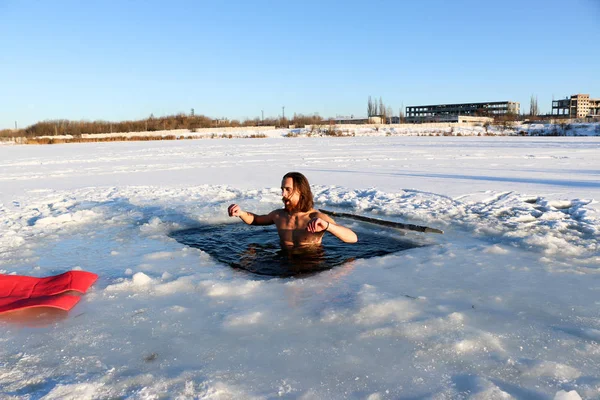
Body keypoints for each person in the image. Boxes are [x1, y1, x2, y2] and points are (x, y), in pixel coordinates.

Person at [228, 172, 357, 249]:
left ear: (301, 191)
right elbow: (256, 220)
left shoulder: (315, 217)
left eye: (288, 189)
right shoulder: (279, 215)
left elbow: (352, 238)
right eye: (282, 189)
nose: (283, 194)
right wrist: (241, 213)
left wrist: (328, 226)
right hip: (283, 259)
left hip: (311, 263)